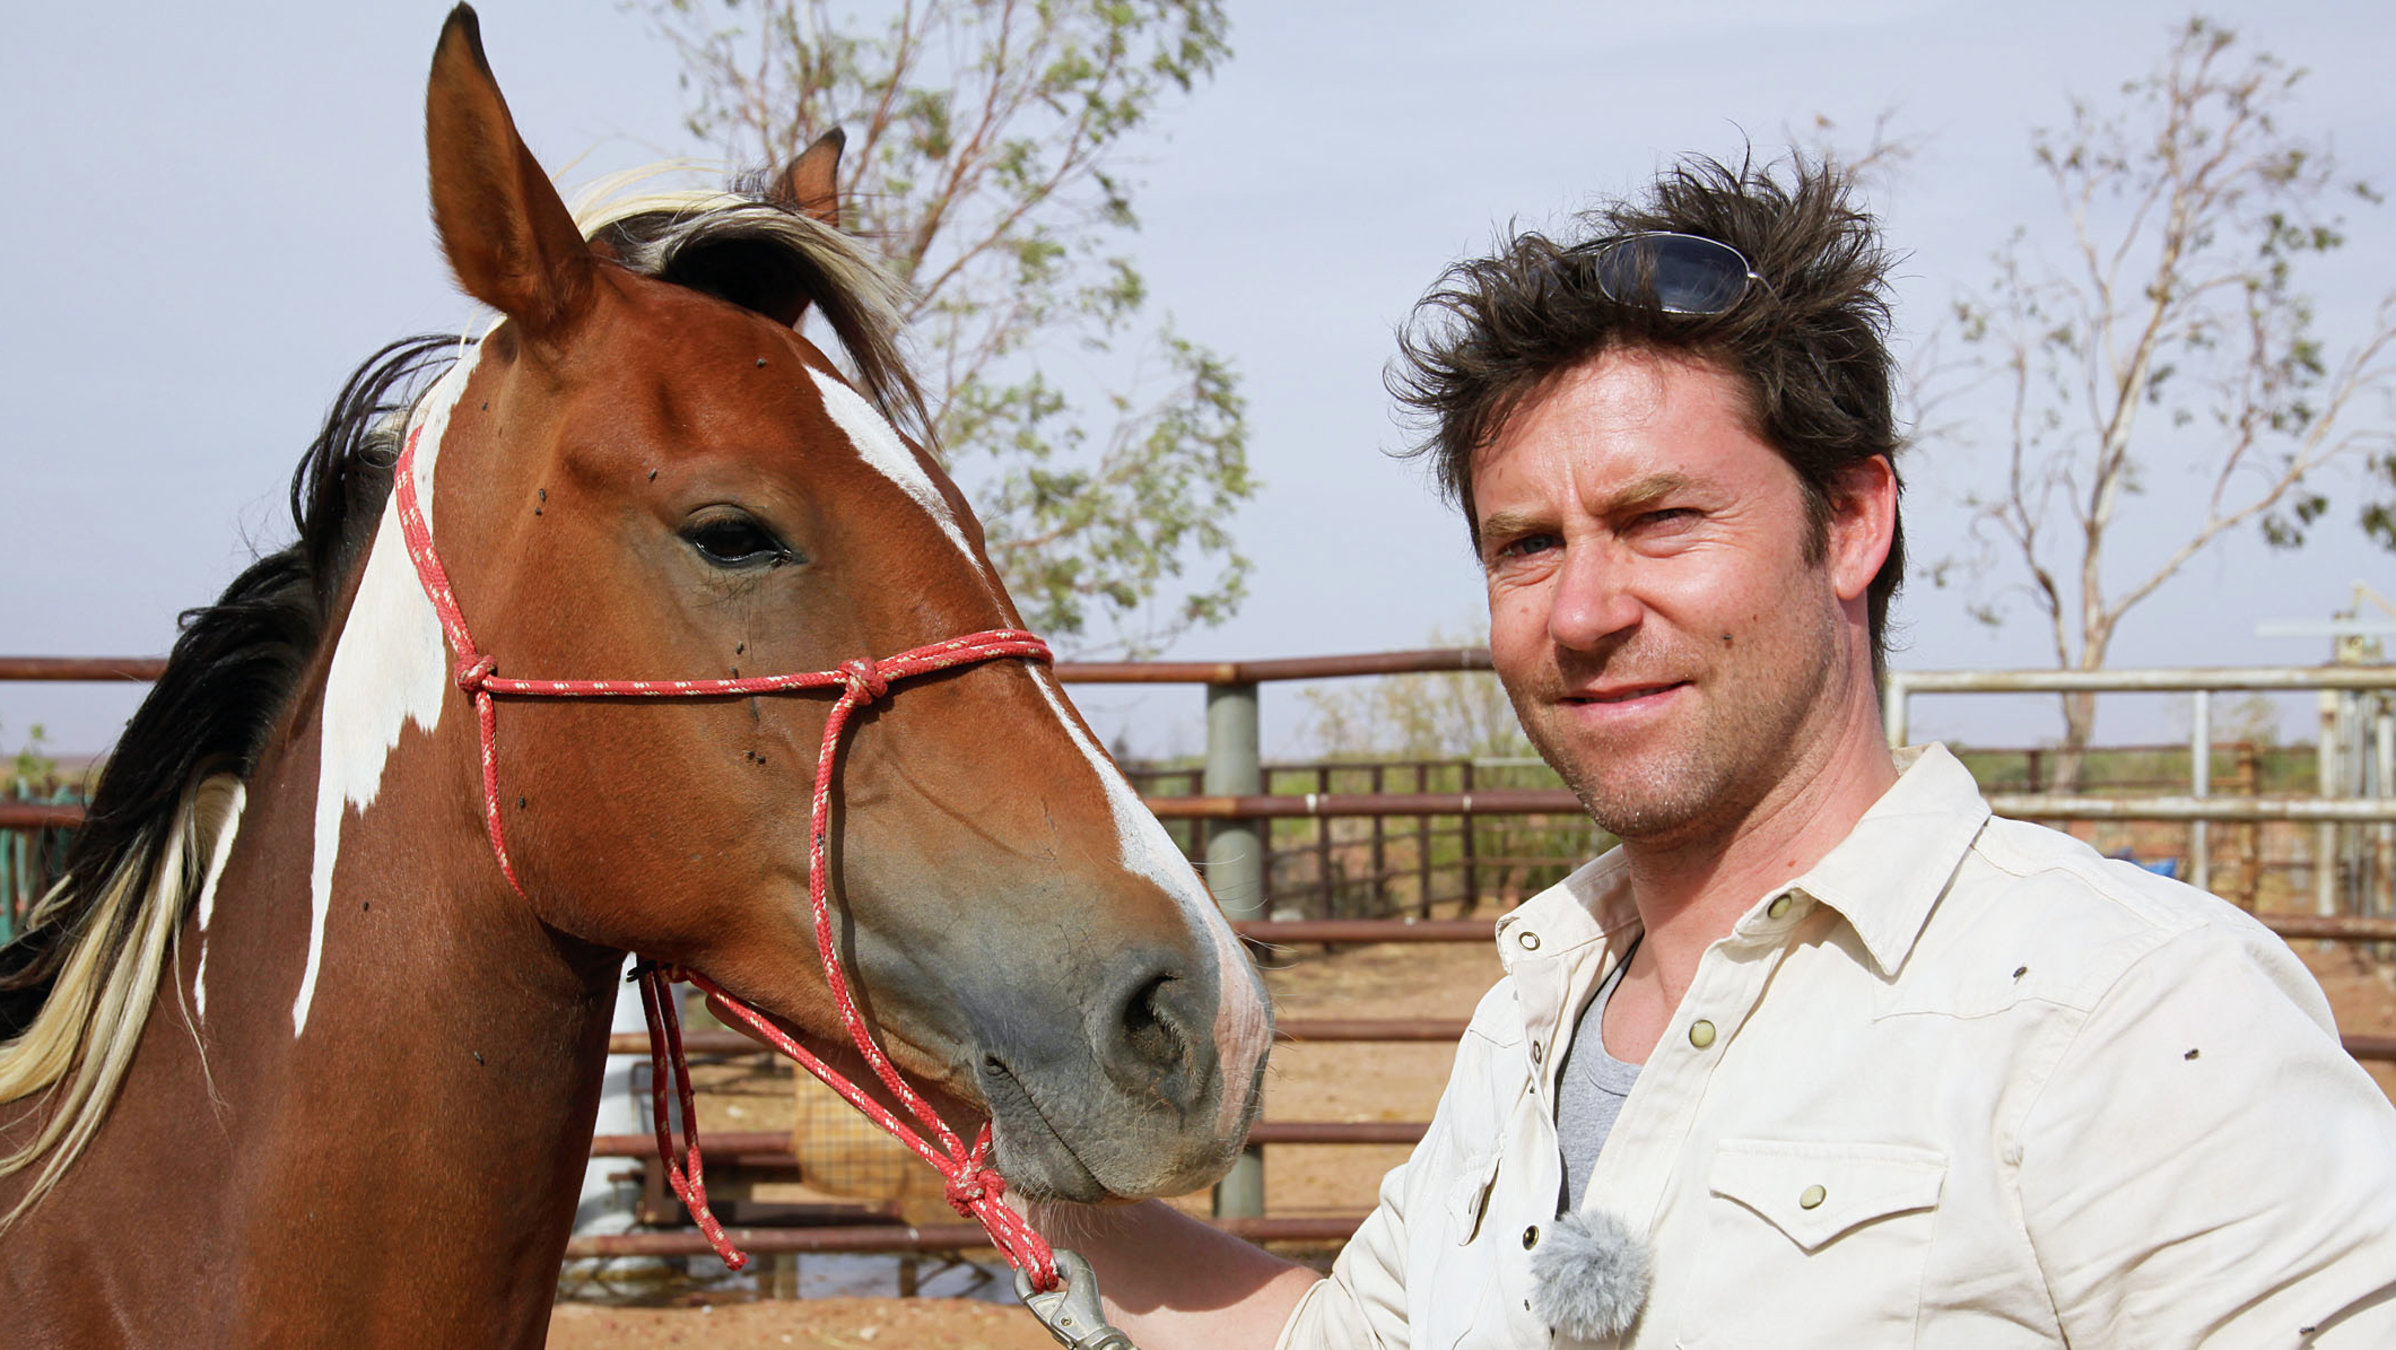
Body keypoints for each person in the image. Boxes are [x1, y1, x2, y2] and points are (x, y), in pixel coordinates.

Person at [1035, 155, 2396, 1348]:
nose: (1582, 610)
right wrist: (1004, 1154)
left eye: (1662, 518)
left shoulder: (2129, 1016)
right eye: (1527, 545)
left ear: (1852, 521)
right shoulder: (1532, 1019)